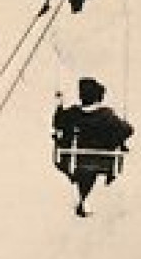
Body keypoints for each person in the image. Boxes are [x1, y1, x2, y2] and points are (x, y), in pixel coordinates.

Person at [52, 77, 134, 217]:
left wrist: (59, 104)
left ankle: (83, 199)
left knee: (81, 172)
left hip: (76, 160)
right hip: (103, 161)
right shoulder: (106, 115)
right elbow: (128, 131)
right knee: (115, 137)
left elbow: (58, 123)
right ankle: (84, 199)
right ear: (98, 97)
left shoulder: (73, 113)